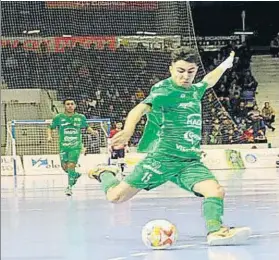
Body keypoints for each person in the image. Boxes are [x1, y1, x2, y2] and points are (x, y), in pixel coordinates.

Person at [88, 47, 251, 245]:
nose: (185, 76)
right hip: (162, 158)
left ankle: (215, 231)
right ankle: (105, 173)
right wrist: (128, 131)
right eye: (180, 71)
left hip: (189, 161)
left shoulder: (194, 91)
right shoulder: (163, 91)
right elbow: (139, 109)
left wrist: (225, 65)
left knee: (215, 191)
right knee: (116, 197)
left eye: (190, 71)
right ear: (171, 69)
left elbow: (208, 81)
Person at [47, 98, 98, 196]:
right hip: (63, 146)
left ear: (75, 106)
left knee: (71, 165)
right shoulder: (59, 117)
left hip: (75, 146)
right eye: (67, 104)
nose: (70, 106)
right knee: (65, 168)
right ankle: (75, 175)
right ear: (64, 106)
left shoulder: (80, 117)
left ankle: (69, 187)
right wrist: (49, 136)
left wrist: (93, 132)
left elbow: (86, 126)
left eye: (72, 104)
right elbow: (50, 127)